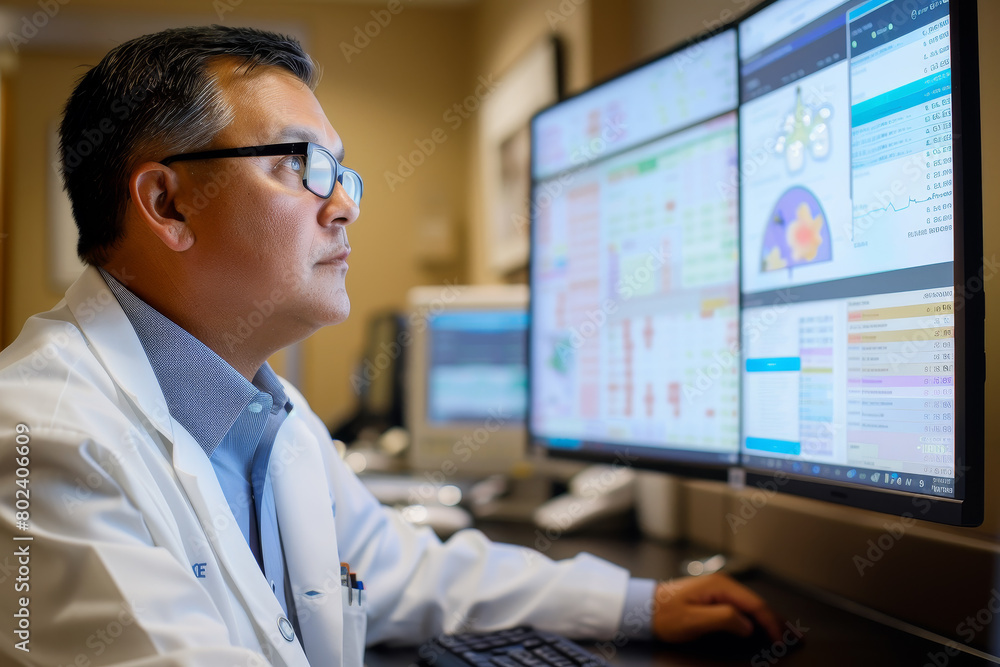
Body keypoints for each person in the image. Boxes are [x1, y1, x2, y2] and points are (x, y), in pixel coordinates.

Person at [0, 26, 780, 667]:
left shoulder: (268, 413)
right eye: (301, 165)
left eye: (342, 173)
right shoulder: (44, 438)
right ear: (168, 203)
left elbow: (399, 571)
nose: (344, 206)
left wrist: (639, 603)